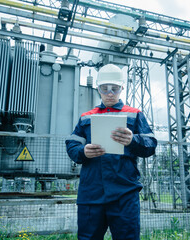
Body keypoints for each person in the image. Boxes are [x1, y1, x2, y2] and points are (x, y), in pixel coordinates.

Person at [65, 64, 157, 240]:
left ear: (121, 88)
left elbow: (150, 144)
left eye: (114, 89)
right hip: (91, 194)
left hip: (124, 193)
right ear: (98, 88)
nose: (109, 93)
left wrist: (133, 140)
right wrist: (83, 151)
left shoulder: (135, 114)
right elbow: (72, 145)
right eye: (104, 89)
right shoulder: (86, 116)